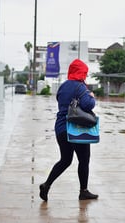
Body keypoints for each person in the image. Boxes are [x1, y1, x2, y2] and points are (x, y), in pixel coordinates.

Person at [39, 59, 98, 202]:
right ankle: (83, 191)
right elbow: (87, 104)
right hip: (76, 128)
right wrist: (92, 97)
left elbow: (61, 101)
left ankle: (46, 185)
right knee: (84, 160)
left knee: (65, 160)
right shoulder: (81, 87)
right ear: (82, 72)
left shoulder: (63, 86)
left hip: (61, 128)